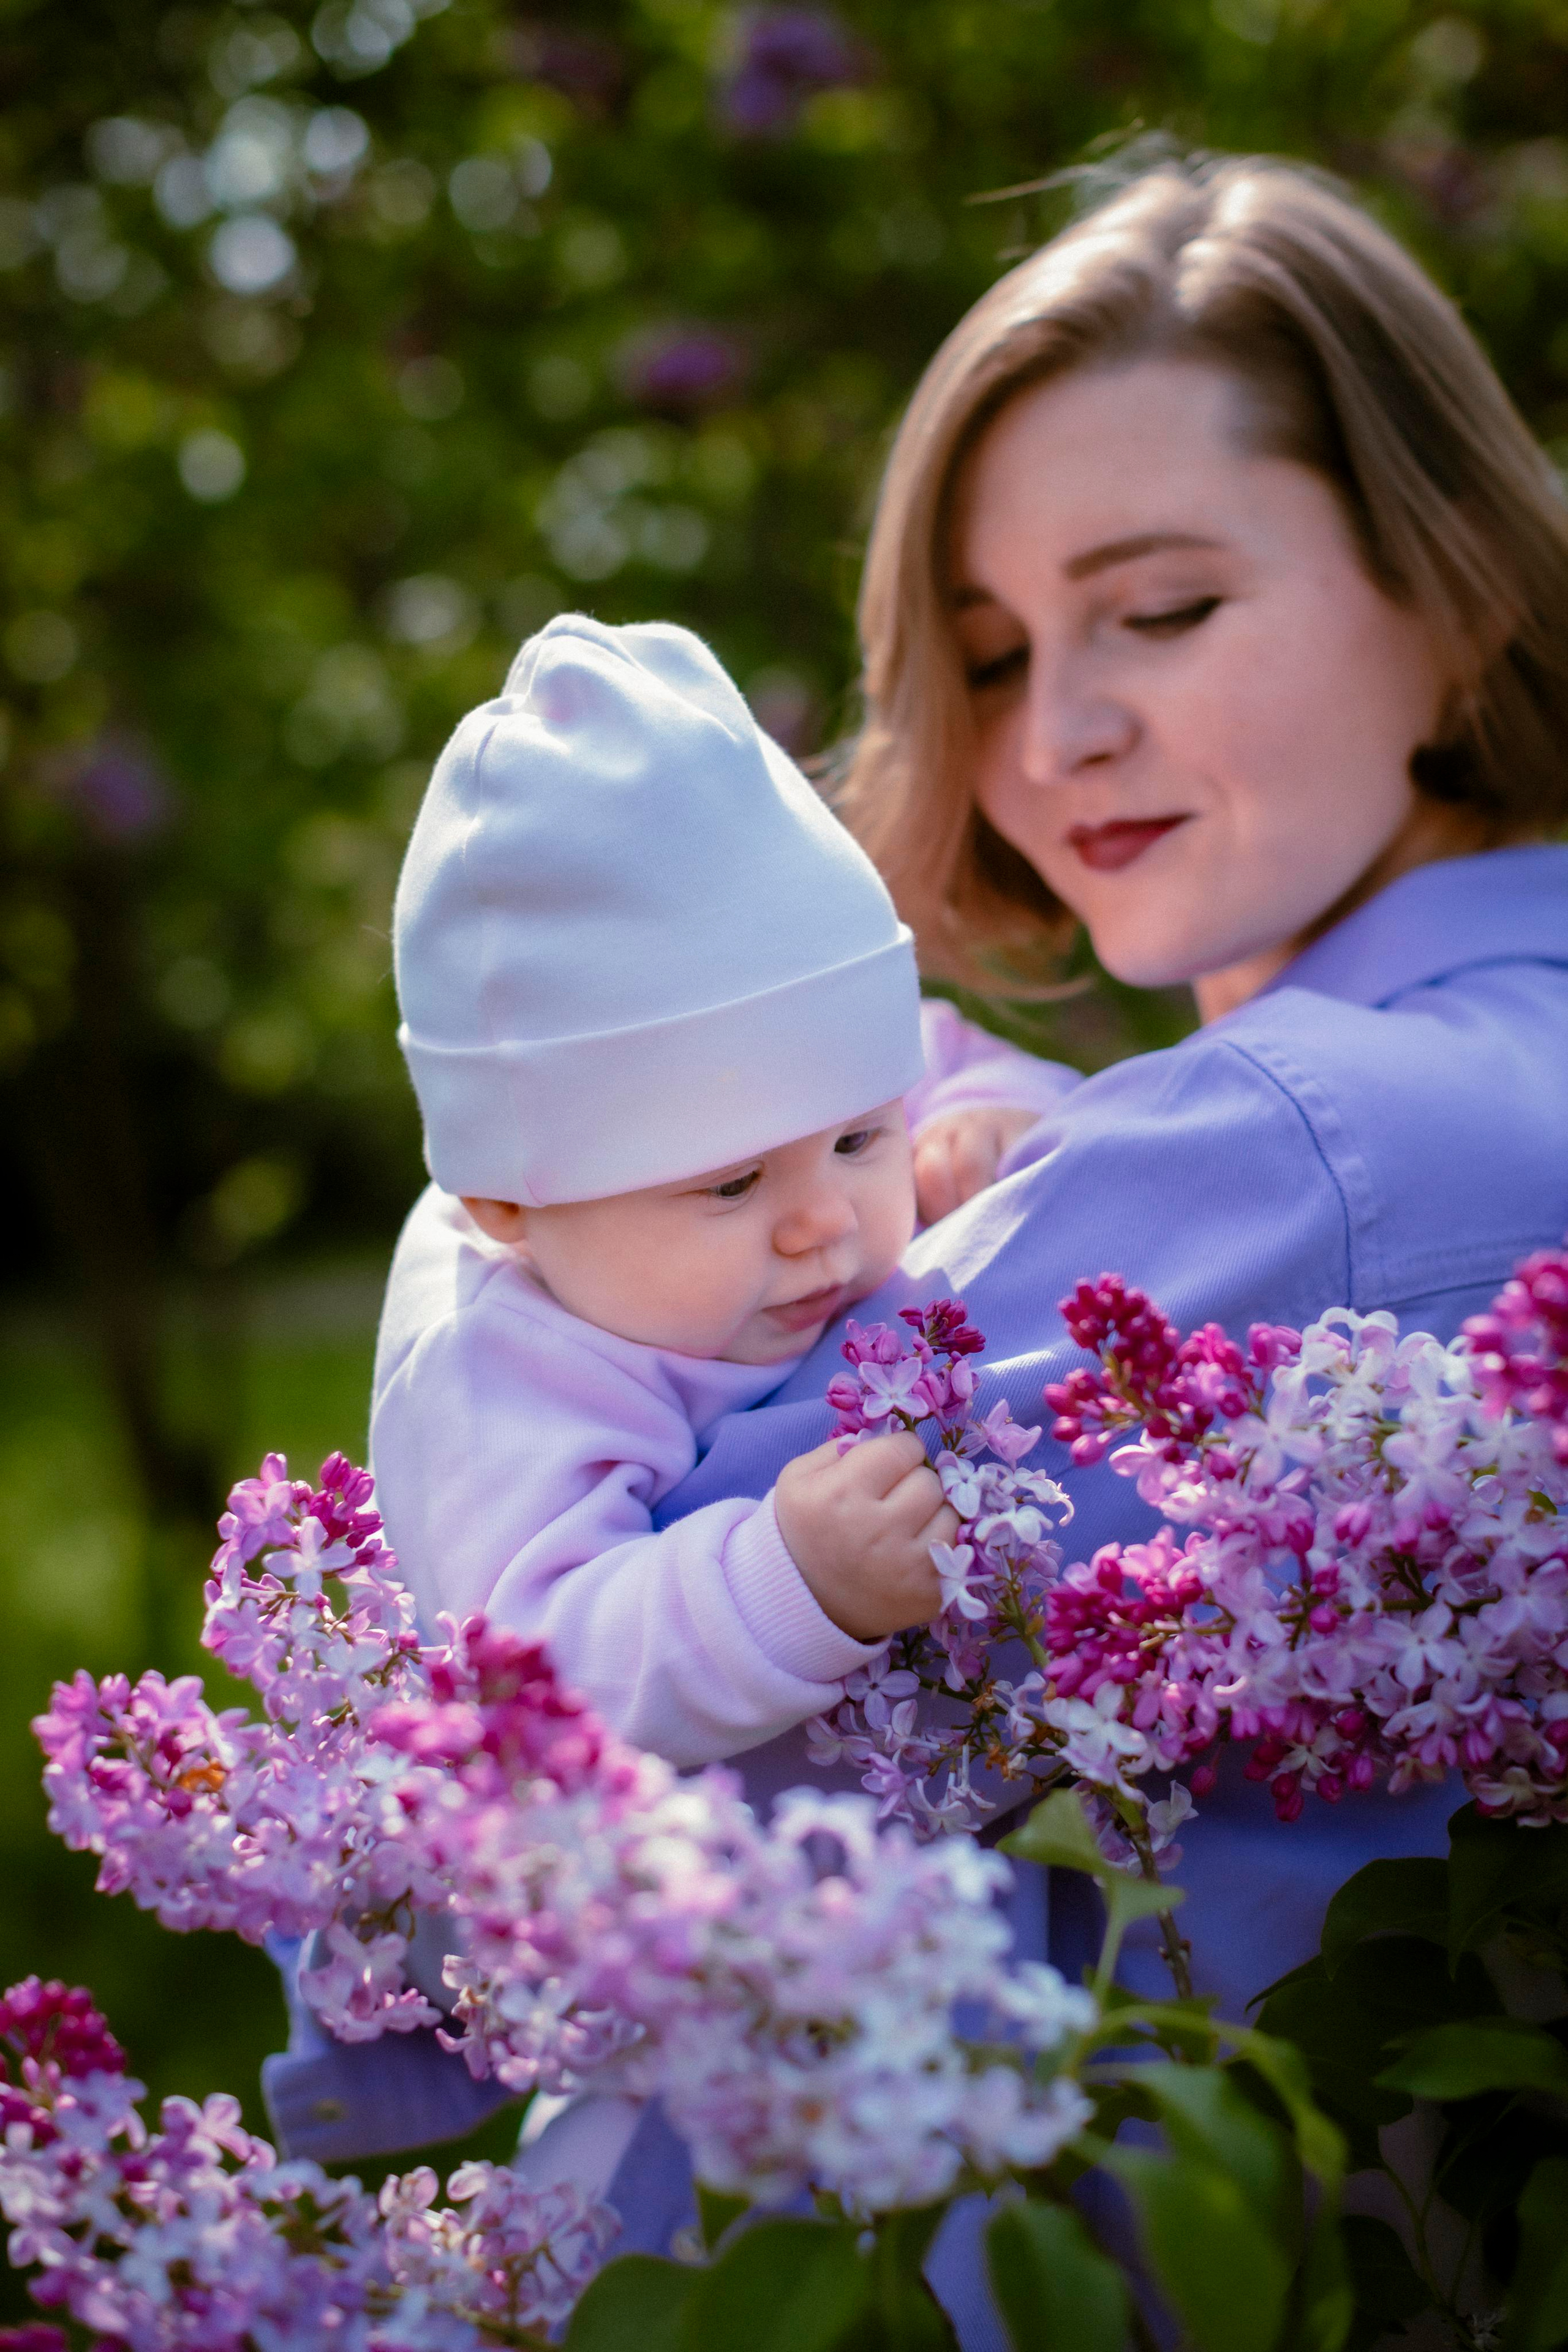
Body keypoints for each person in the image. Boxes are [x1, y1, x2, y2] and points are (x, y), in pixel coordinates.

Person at [265, 153, 1568, 2349]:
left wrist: (477, 1269)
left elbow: (453, 1785)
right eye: (986, 652)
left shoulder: (1293, 1152)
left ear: (1452, 586)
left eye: (1159, 608)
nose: (1050, 736)